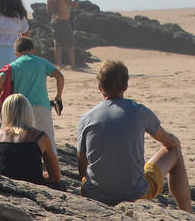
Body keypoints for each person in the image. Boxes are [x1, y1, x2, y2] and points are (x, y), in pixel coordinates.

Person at [77, 60, 191, 212]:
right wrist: (176, 141)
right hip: (135, 194)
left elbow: (81, 162)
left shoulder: (87, 117)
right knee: (175, 151)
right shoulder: (139, 111)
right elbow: (169, 142)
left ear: (100, 88)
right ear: (125, 86)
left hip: (95, 194)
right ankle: (187, 212)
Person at [0, 37, 63, 149]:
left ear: (16, 53)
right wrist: (58, 96)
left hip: (21, 109)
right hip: (42, 107)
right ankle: (49, 164)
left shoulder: (14, 66)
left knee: (24, 140)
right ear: (33, 50)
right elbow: (60, 77)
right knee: (48, 140)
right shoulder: (42, 62)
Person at [0, 93, 61, 187]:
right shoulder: (40, 137)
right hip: (33, 187)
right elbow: (55, 177)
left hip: (6, 187)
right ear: (28, 111)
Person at [46, 0, 81, 68]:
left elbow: (48, 10)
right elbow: (75, 5)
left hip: (54, 20)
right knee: (70, 43)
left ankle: (59, 64)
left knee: (57, 43)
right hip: (63, 21)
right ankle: (73, 65)